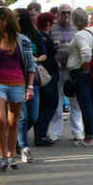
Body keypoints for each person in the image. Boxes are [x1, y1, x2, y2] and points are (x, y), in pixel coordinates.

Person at [0, 7, 35, 171]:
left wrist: (29, 87)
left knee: (13, 122)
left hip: (17, 84)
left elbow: (31, 67)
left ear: (5, 21)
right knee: (1, 120)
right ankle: (2, 156)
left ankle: (11, 156)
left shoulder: (23, 40)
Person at [47, 3, 84, 143]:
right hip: (59, 70)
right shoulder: (53, 28)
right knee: (57, 102)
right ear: (58, 14)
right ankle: (55, 133)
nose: (66, 15)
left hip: (73, 70)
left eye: (69, 12)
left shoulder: (75, 27)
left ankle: (78, 132)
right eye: (63, 12)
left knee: (75, 103)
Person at [15, 8, 45, 163]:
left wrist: (36, 59)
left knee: (33, 117)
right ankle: (22, 144)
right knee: (22, 117)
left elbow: (44, 53)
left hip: (33, 80)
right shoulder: (11, 37)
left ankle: (17, 137)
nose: (14, 19)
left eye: (17, 16)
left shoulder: (34, 35)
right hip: (16, 81)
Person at [68, 7, 93, 146]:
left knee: (85, 104)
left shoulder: (80, 34)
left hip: (81, 72)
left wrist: (84, 67)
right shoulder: (92, 31)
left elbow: (86, 52)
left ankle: (88, 137)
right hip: (90, 72)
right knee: (92, 104)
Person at [34, 12, 59, 146]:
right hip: (47, 75)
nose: (54, 25)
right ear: (48, 23)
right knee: (51, 103)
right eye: (52, 22)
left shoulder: (39, 35)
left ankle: (39, 133)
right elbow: (47, 53)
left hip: (43, 74)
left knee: (43, 105)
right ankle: (41, 134)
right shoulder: (43, 37)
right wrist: (55, 46)